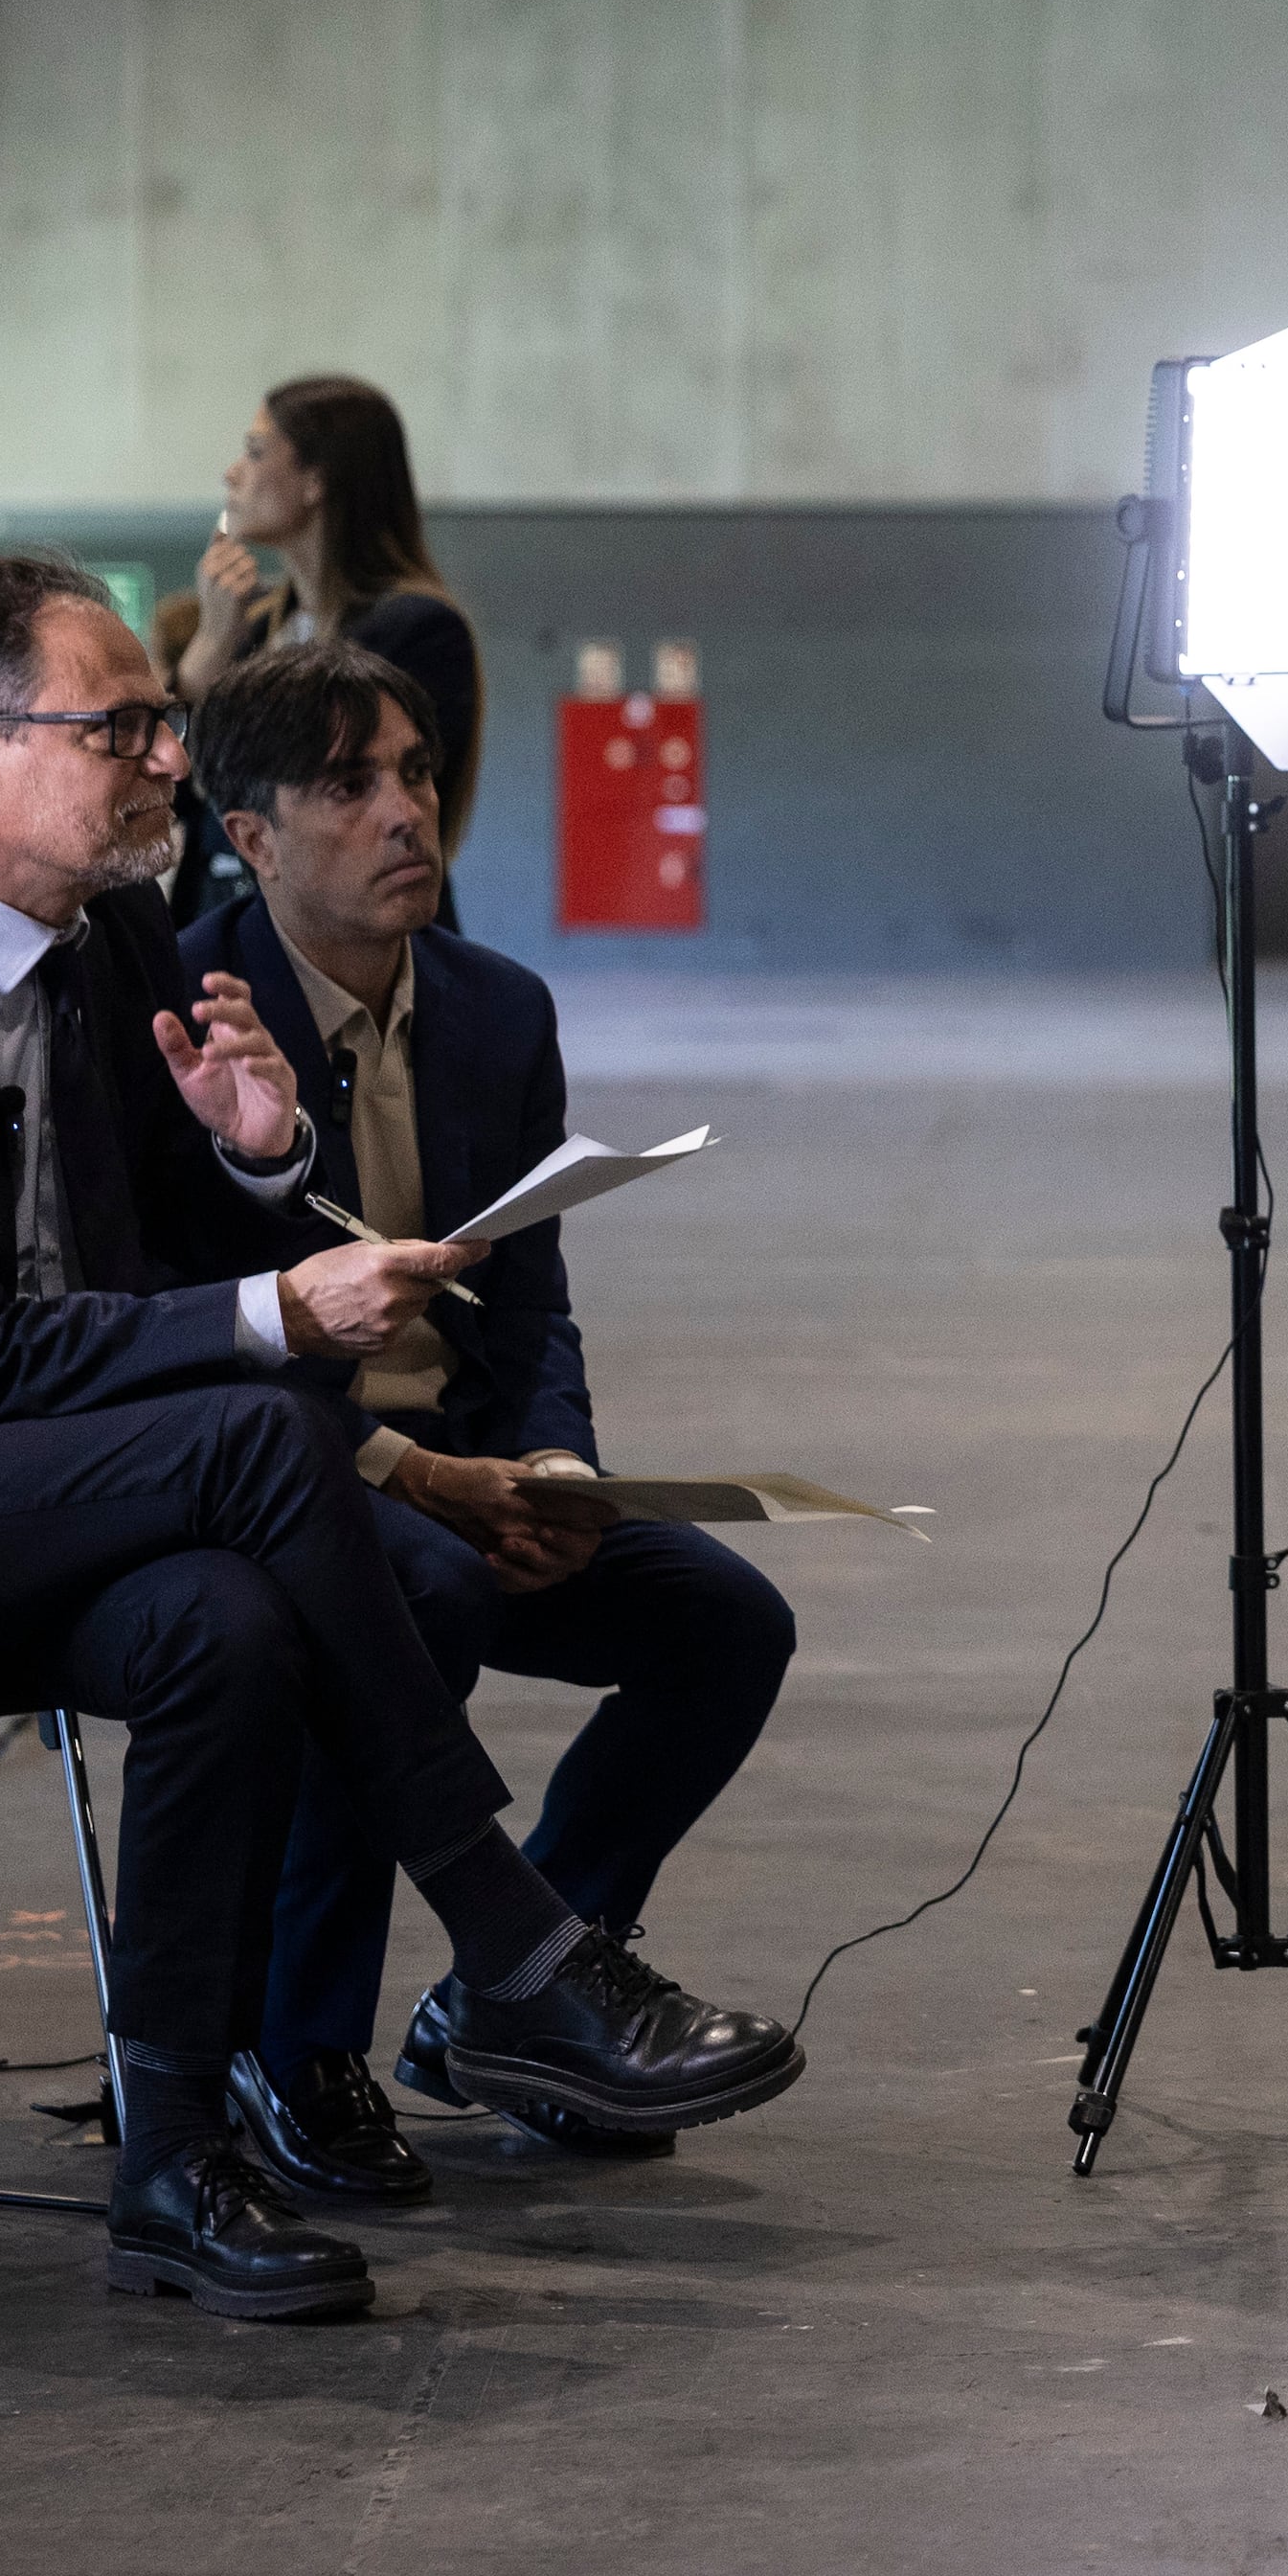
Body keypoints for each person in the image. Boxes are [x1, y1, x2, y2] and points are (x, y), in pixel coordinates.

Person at [0, 556, 799, 2326]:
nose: (165, 756)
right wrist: (277, 1309)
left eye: (163, 720)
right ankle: (519, 1937)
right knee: (253, 1441)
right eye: (124, 725)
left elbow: (161, 1250)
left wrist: (248, 1151)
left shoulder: (116, 942)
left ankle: (175, 2158)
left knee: (222, 1624)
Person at [183, 642, 796, 2202]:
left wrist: (561, 1467)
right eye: (351, 784)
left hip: (465, 1466)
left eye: (417, 772)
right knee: (419, 1594)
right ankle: (291, 2042)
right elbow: (202, 1351)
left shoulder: (497, 1008)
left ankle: (512, 1999)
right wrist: (423, 1480)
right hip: (283, 1473)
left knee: (726, 1617)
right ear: (250, 834)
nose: (407, 811)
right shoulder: (190, 1023)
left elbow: (533, 1302)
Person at [180, 377, 486, 883]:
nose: (232, 474)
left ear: (316, 479)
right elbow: (173, 789)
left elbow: (304, 788)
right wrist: (209, 648)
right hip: (230, 919)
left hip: (360, 935)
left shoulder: (419, 631)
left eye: (255, 453)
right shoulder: (254, 628)